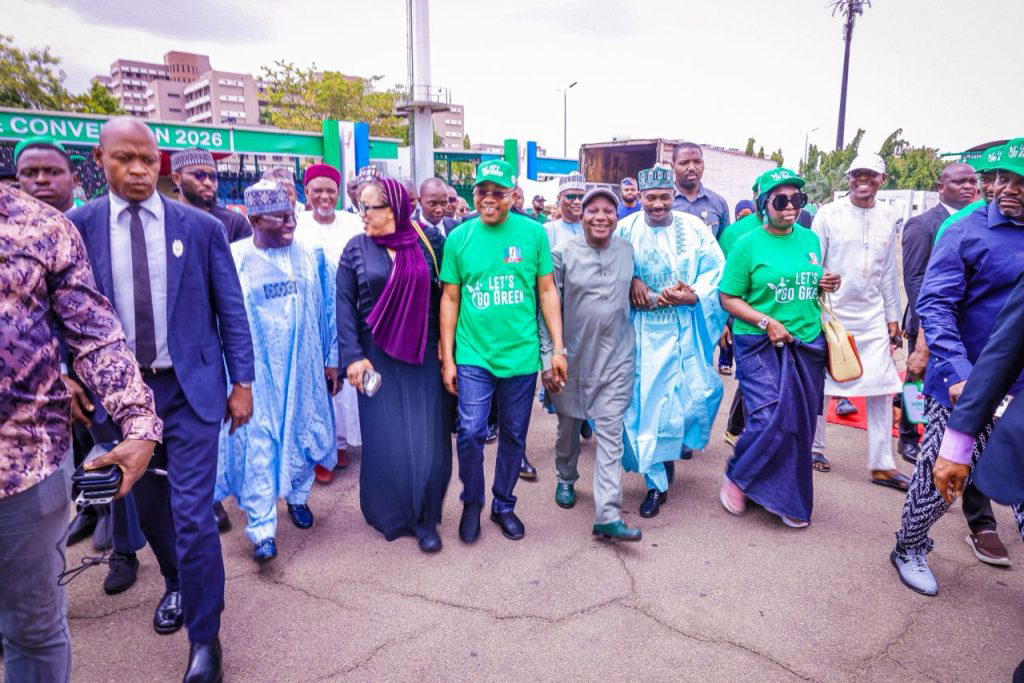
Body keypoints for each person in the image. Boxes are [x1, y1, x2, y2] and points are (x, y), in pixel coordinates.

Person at [68, 117, 254, 683]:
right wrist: (68, 375)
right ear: (99, 160)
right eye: (124, 159)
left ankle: (205, 636)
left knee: (193, 515)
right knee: (150, 509)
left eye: (148, 160)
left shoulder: (200, 228)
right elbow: (60, 311)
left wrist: (242, 383)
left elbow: (230, 309)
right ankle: (175, 582)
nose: (138, 170)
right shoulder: (77, 228)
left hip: (190, 390)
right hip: (120, 398)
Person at [0, 182, 162, 683]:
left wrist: (139, 421)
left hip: (25, 468)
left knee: (31, 629)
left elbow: (94, 334)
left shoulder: (41, 227)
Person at [890, 142, 1024, 595]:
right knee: (942, 477)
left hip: (1020, 391)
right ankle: (909, 546)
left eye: (1019, 181)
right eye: (1001, 178)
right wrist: (961, 372)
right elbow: (935, 303)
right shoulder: (965, 229)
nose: (1006, 189)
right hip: (965, 383)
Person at [440, 159, 566, 543]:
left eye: (498, 192)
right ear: (474, 193)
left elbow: (547, 290)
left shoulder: (533, 234)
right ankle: (472, 502)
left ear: (513, 195)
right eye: (482, 191)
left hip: (521, 355)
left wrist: (557, 349)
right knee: (471, 432)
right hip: (474, 354)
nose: (489, 199)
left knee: (513, 435)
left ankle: (504, 505)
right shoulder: (459, 237)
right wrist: (448, 357)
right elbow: (450, 298)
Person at [216, 181, 338, 562]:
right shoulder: (233, 258)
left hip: (303, 367)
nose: (290, 224)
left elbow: (329, 307)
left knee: (303, 432)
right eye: (280, 218)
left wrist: (331, 356)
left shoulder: (311, 254)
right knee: (258, 444)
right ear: (254, 220)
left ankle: (298, 498)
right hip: (255, 374)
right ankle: (262, 528)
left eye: (291, 216)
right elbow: (220, 319)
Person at [718, 168, 840, 527]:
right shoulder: (746, 245)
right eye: (781, 200)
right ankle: (739, 476)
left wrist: (825, 283)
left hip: (806, 343)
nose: (790, 207)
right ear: (763, 204)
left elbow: (807, 281)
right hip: (759, 342)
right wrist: (766, 321)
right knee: (770, 416)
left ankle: (785, 496)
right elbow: (728, 297)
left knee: (800, 423)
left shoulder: (810, 240)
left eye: (797, 199)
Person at [338, 176, 452, 553]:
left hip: (422, 352)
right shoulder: (355, 249)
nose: (362, 215)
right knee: (385, 435)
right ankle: (389, 512)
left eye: (367, 207)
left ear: (392, 210)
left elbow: (444, 298)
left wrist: (445, 349)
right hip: (374, 356)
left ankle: (424, 518)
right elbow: (343, 306)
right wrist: (353, 357)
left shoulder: (428, 242)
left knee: (424, 434)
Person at [14, 135, 110, 546]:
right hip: (41, 379)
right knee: (72, 449)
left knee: (107, 444)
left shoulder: (92, 227)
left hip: (100, 363)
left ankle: (116, 523)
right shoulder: (13, 238)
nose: (41, 181)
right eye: (29, 173)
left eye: (51, 172)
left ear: (73, 178)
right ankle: (89, 509)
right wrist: (58, 373)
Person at [617, 165, 728, 517]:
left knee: (698, 397)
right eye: (650, 198)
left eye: (664, 197)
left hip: (684, 328)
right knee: (645, 407)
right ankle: (655, 484)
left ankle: (668, 453)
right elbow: (606, 265)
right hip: (640, 332)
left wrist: (693, 295)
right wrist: (631, 279)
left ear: (673, 196)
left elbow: (716, 270)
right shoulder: (625, 228)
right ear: (640, 197)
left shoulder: (694, 228)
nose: (657, 205)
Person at [541, 187, 640, 541]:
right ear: (581, 217)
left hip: (616, 360)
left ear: (616, 217)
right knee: (568, 427)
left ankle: (607, 513)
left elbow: (637, 289)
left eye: (608, 210)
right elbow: (546, 309)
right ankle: (566, 477)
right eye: (592, 210)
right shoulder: (561, 254)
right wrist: (549, 356)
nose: (601, 216)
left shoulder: (627, 251)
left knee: (610, 433)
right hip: (572, 360)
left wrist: (647, 287)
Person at [809, 153, 909, 489]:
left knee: (883, 386)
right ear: (849, 178)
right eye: (856, 174)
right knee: (825, 384)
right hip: (832, 314)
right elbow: (812, 263)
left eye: (870, 175)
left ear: (882, 179)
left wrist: (893, 316)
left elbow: (887, 271)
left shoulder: (888, 216)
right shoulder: (828, 214)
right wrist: (820, 283)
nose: (862, 180)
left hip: (872, 316)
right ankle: (814, 447)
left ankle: (882, 464)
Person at [899, 162, 978, 465]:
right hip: (927, 322)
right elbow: (915, 279)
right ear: (941, 187)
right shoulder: (922, 224)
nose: (968, 187)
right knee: (917, 379)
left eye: (972, 181)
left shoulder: (978, 221)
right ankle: (908, 436)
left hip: (962, 323)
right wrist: (928, 325)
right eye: (960, 182)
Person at [294, 163, 363, 484]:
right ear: (306, 192)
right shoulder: (296, 225)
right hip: (308, 315)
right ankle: (319, 448)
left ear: (338, 193)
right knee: (313, 381)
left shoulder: (352, 223)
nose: (324, 197)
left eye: (330, 191)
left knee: (344, 383)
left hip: (346, 311)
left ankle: (339, 443)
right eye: (317, 191)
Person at [717, 182, 765, 447]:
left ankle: (738, 429)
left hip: (784, 318)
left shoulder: (801, 231)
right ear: (756, 195)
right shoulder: (733, 233)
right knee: (751, 376)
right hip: (744, 316)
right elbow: (721, 280)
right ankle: (743, 432)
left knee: (755, 379)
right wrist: (722, 321)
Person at [170, 148, 252, 243]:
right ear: (177, 178)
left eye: (213, 176)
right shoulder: (166, 221)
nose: (208, 183)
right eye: (199, 175)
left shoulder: (235, 223)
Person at [671, 142, 730, 238]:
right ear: (673, 166)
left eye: (697, 162)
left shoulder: (719, 203)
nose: (692, 168)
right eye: (684, 163)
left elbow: (723, 243)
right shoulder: (661, 203)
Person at [544, 172, 586, 248]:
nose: (577, 202)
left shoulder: (592, 229)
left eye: (581, 197)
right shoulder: (547, 230)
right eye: (571, 196)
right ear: (559, 198)